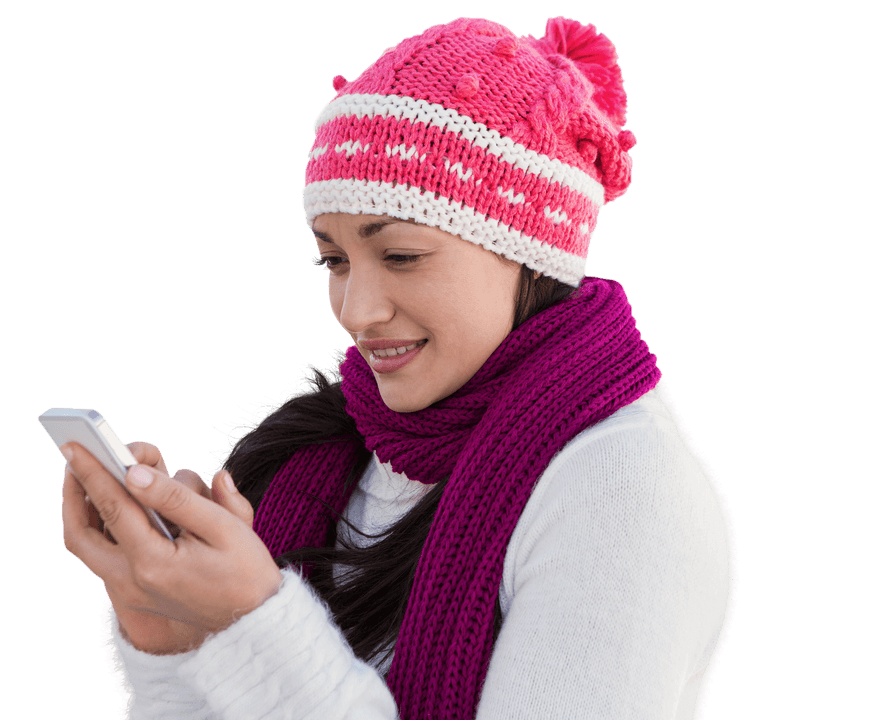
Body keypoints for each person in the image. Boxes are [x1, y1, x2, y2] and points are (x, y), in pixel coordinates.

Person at [60, 15, 738, 719]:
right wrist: (169, 631)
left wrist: (252, 620)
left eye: (401, 256)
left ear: (530, 254)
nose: (357, 311)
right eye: (333, 260)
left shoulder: (624, 491)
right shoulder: (325, 450)